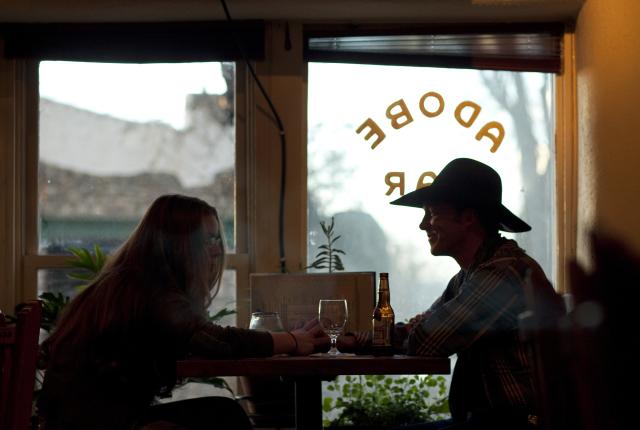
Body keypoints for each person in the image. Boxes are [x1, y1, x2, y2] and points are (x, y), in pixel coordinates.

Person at [37, 194, 328, 430]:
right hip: (100, 424)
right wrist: (292, 339)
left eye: (218, 240)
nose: (216, 251)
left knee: (222, 414)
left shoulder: (125, 283)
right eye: (209, 239)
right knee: (225, 417)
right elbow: (217, 341)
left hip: (73, 422)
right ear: (178, 244)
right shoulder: (149, 289)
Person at [344, 158, 564, 429]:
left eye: (433, 213)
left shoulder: (502, 273)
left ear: (468, 218)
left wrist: (411, 331)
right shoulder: (472, 275)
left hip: (519, 424)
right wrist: (353, 339)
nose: (424, 225)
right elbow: (416, 331)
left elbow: (426, 340)